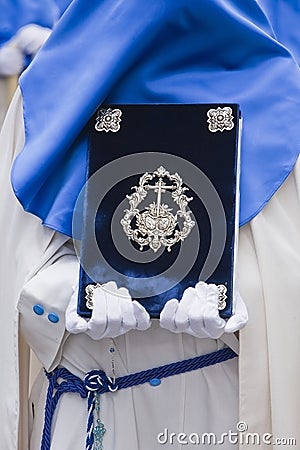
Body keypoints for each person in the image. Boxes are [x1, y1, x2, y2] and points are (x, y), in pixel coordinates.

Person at [0, 1, 299, 449]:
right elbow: (11, 256)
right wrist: (58, 297)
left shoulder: (280, 104)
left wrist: (245, 304)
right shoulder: (43, 91)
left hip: (216, 416)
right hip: (82, 410)